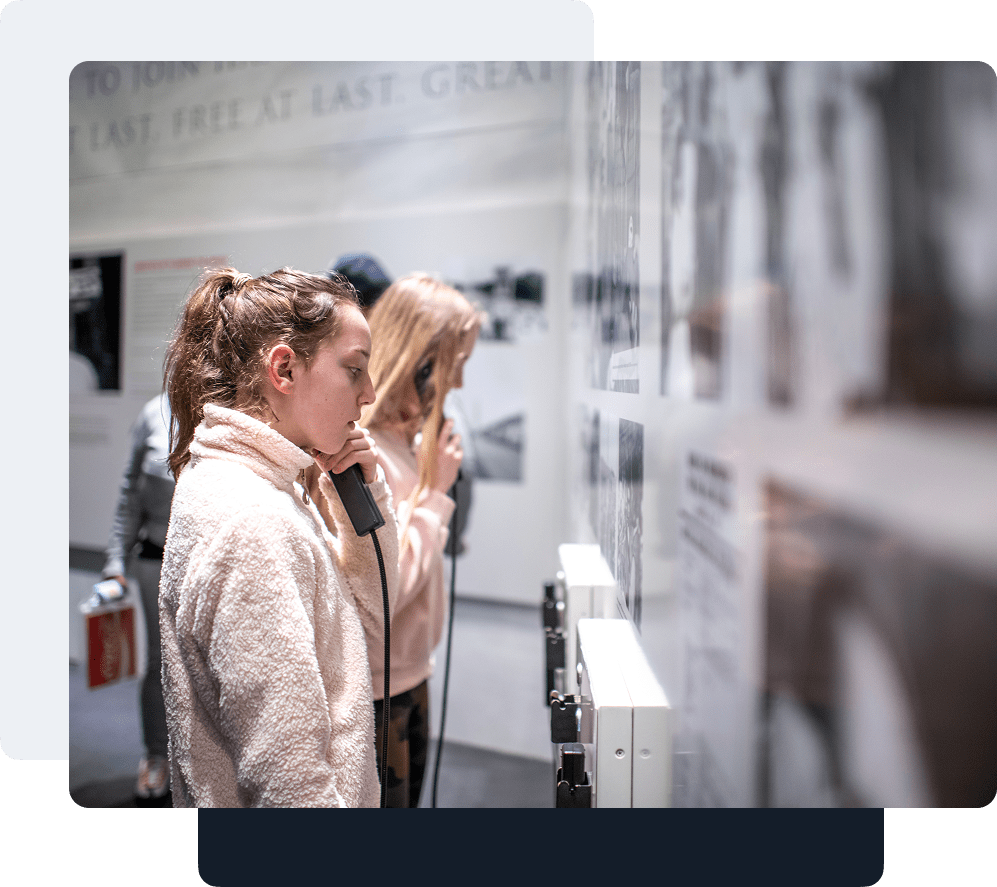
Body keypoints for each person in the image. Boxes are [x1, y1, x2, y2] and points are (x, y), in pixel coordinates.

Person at [158, 266, 399, 808]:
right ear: (284, 369)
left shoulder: (272, 487)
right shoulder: (251, 521)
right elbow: (289, 778)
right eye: (355, 371)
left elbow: (370, 616)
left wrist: (362, 492)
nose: (369, 394)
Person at [360, 273, 483, 807]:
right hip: (378, 690)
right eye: (452, 366)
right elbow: (387, 584)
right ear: (420, 361)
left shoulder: (400, 445)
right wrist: (434, 496)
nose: (455, 384)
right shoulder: (365, 453)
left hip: (408, 675)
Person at [101, 392, 174, 805]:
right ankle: (156, 756)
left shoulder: (235, 407)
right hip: (155, 559)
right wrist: (115, 559)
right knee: (159, 662)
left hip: (213, 561)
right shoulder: (153, 413)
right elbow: (130, 492)